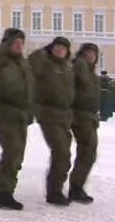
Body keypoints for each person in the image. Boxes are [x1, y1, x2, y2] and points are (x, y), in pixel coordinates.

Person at [0, 28, 32, 210]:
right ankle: (4, 192)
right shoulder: (0, 60)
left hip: (21, 112)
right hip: (4, 109)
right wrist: (4, 46)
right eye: (15, 42)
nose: (19, 46)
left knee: (17, 154)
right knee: (12, 151)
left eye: (21, 42)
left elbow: (30, 87)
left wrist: (30, 110)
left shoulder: (23, 63)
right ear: (7, 44)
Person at [29, 36, 75, 206]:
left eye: (63, 48)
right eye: (56, 47)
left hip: (64, 116)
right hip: (48, 114)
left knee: (65, 154)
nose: (59, 50)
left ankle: (56, 188)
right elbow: (32, 65)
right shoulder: (44, 63)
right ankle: (54, 192)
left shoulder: (67, 68)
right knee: (61, 151)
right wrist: (41, 53)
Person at [69, 43, 100, 204]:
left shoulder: (89, 70)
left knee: (89, 152)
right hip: (81, 116)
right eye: (88, 52)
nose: (91, 55)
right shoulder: (80, 66)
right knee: (87, 152)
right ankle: (76, 187)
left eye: (94, 53)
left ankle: (77, 185)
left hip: (89, 116)